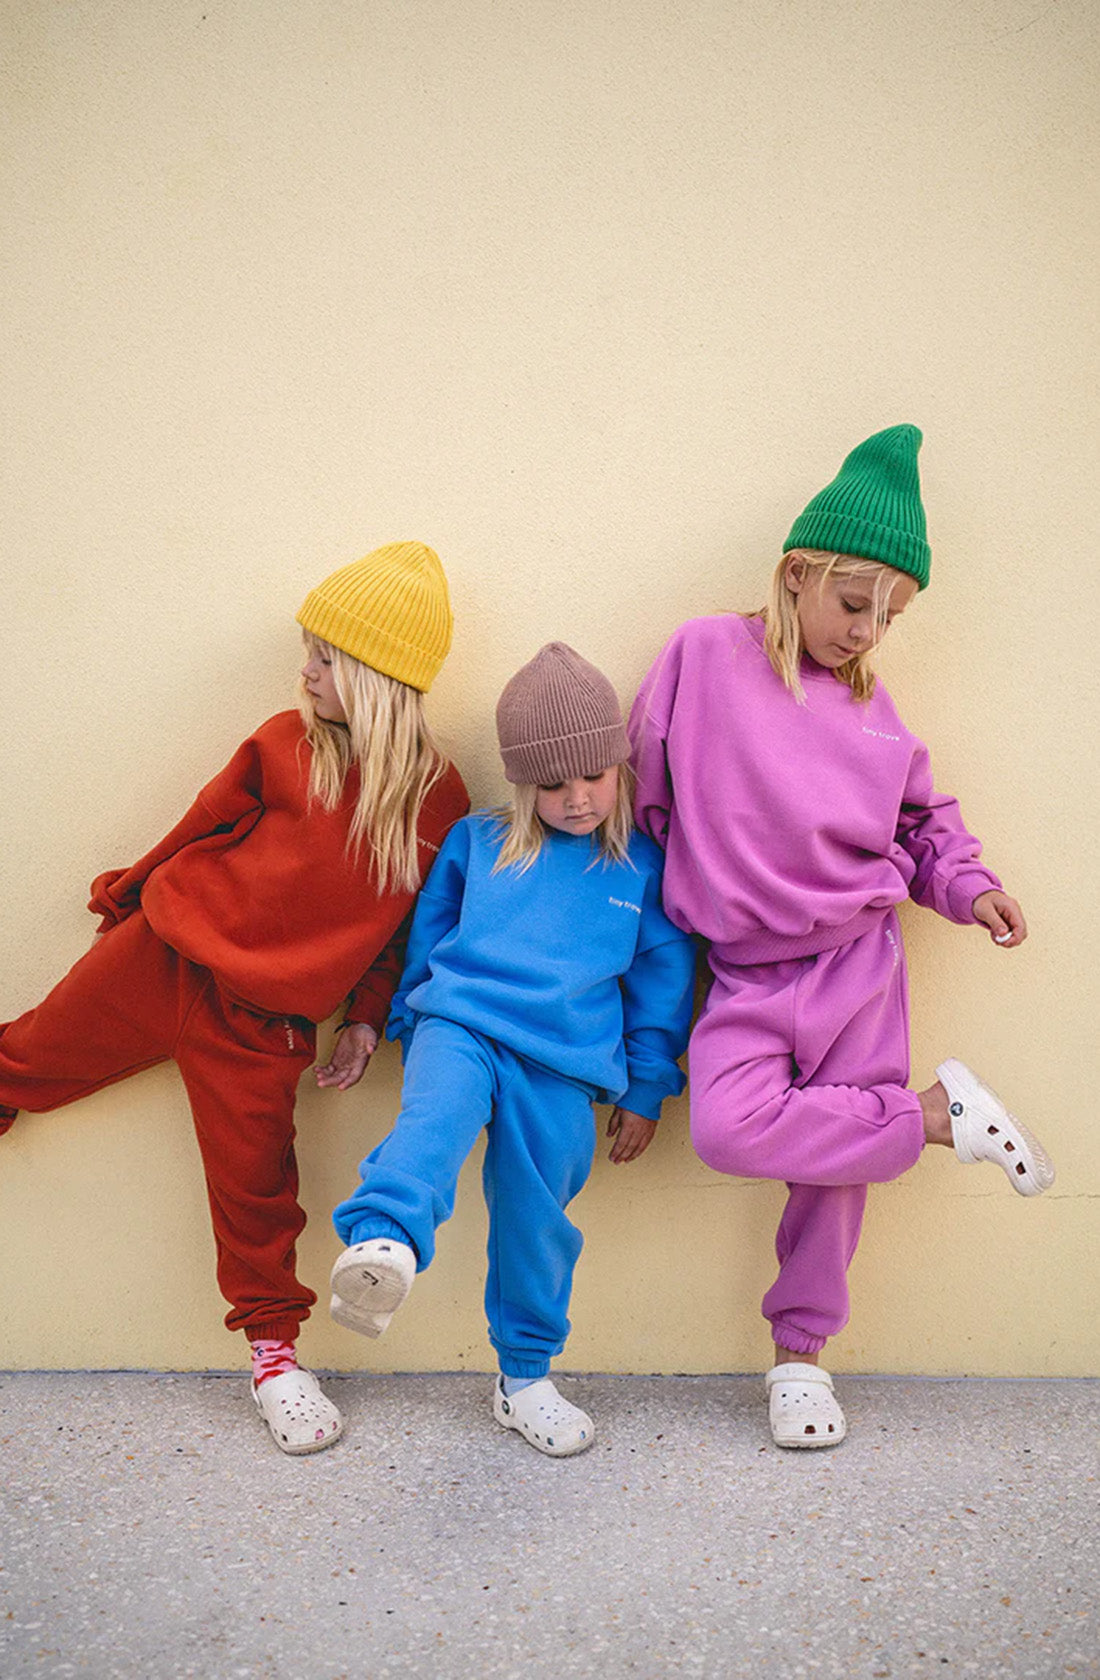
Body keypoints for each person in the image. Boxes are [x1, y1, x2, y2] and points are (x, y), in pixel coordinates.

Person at [628, 426, 1055, 1449]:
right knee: (729, 1127)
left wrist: (967, 885)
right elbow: (648, 800)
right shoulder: (700, 657)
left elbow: (919, 826)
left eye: (889, 616)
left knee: (831, 1174)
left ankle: (800, 1362)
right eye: (852, 602)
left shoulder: (873, 711)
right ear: (795, 574)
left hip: (857, 963)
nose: (866, 630)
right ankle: (934, 1118)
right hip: (741, 969)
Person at [0, 542, 468, 1455]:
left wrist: (366, 1019)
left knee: (258, 1196)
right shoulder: (282, 742)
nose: (306, 671)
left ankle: (276, 1360)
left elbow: (399, 931)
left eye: (326, 656)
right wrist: (126, 894)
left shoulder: (436, 800)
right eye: (309, 649)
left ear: (379, 675)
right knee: (24, 1061)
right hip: (160, 956)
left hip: (266, 1028)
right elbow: (200, 821)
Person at [329, 642, 694, 1455]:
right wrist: (406, 1021)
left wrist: (645, 1089)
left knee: (538, 1221)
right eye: (551, 783)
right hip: (460, 1026)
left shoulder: (639, 867)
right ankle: (383, 1240)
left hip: (563, 1067)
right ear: (523, 782)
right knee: (432, 1122)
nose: (575, 798)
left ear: (618, 765)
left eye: (592, 776)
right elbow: (430, 933)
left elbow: (662, 988)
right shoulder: (477, 840)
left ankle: (523, 1379)